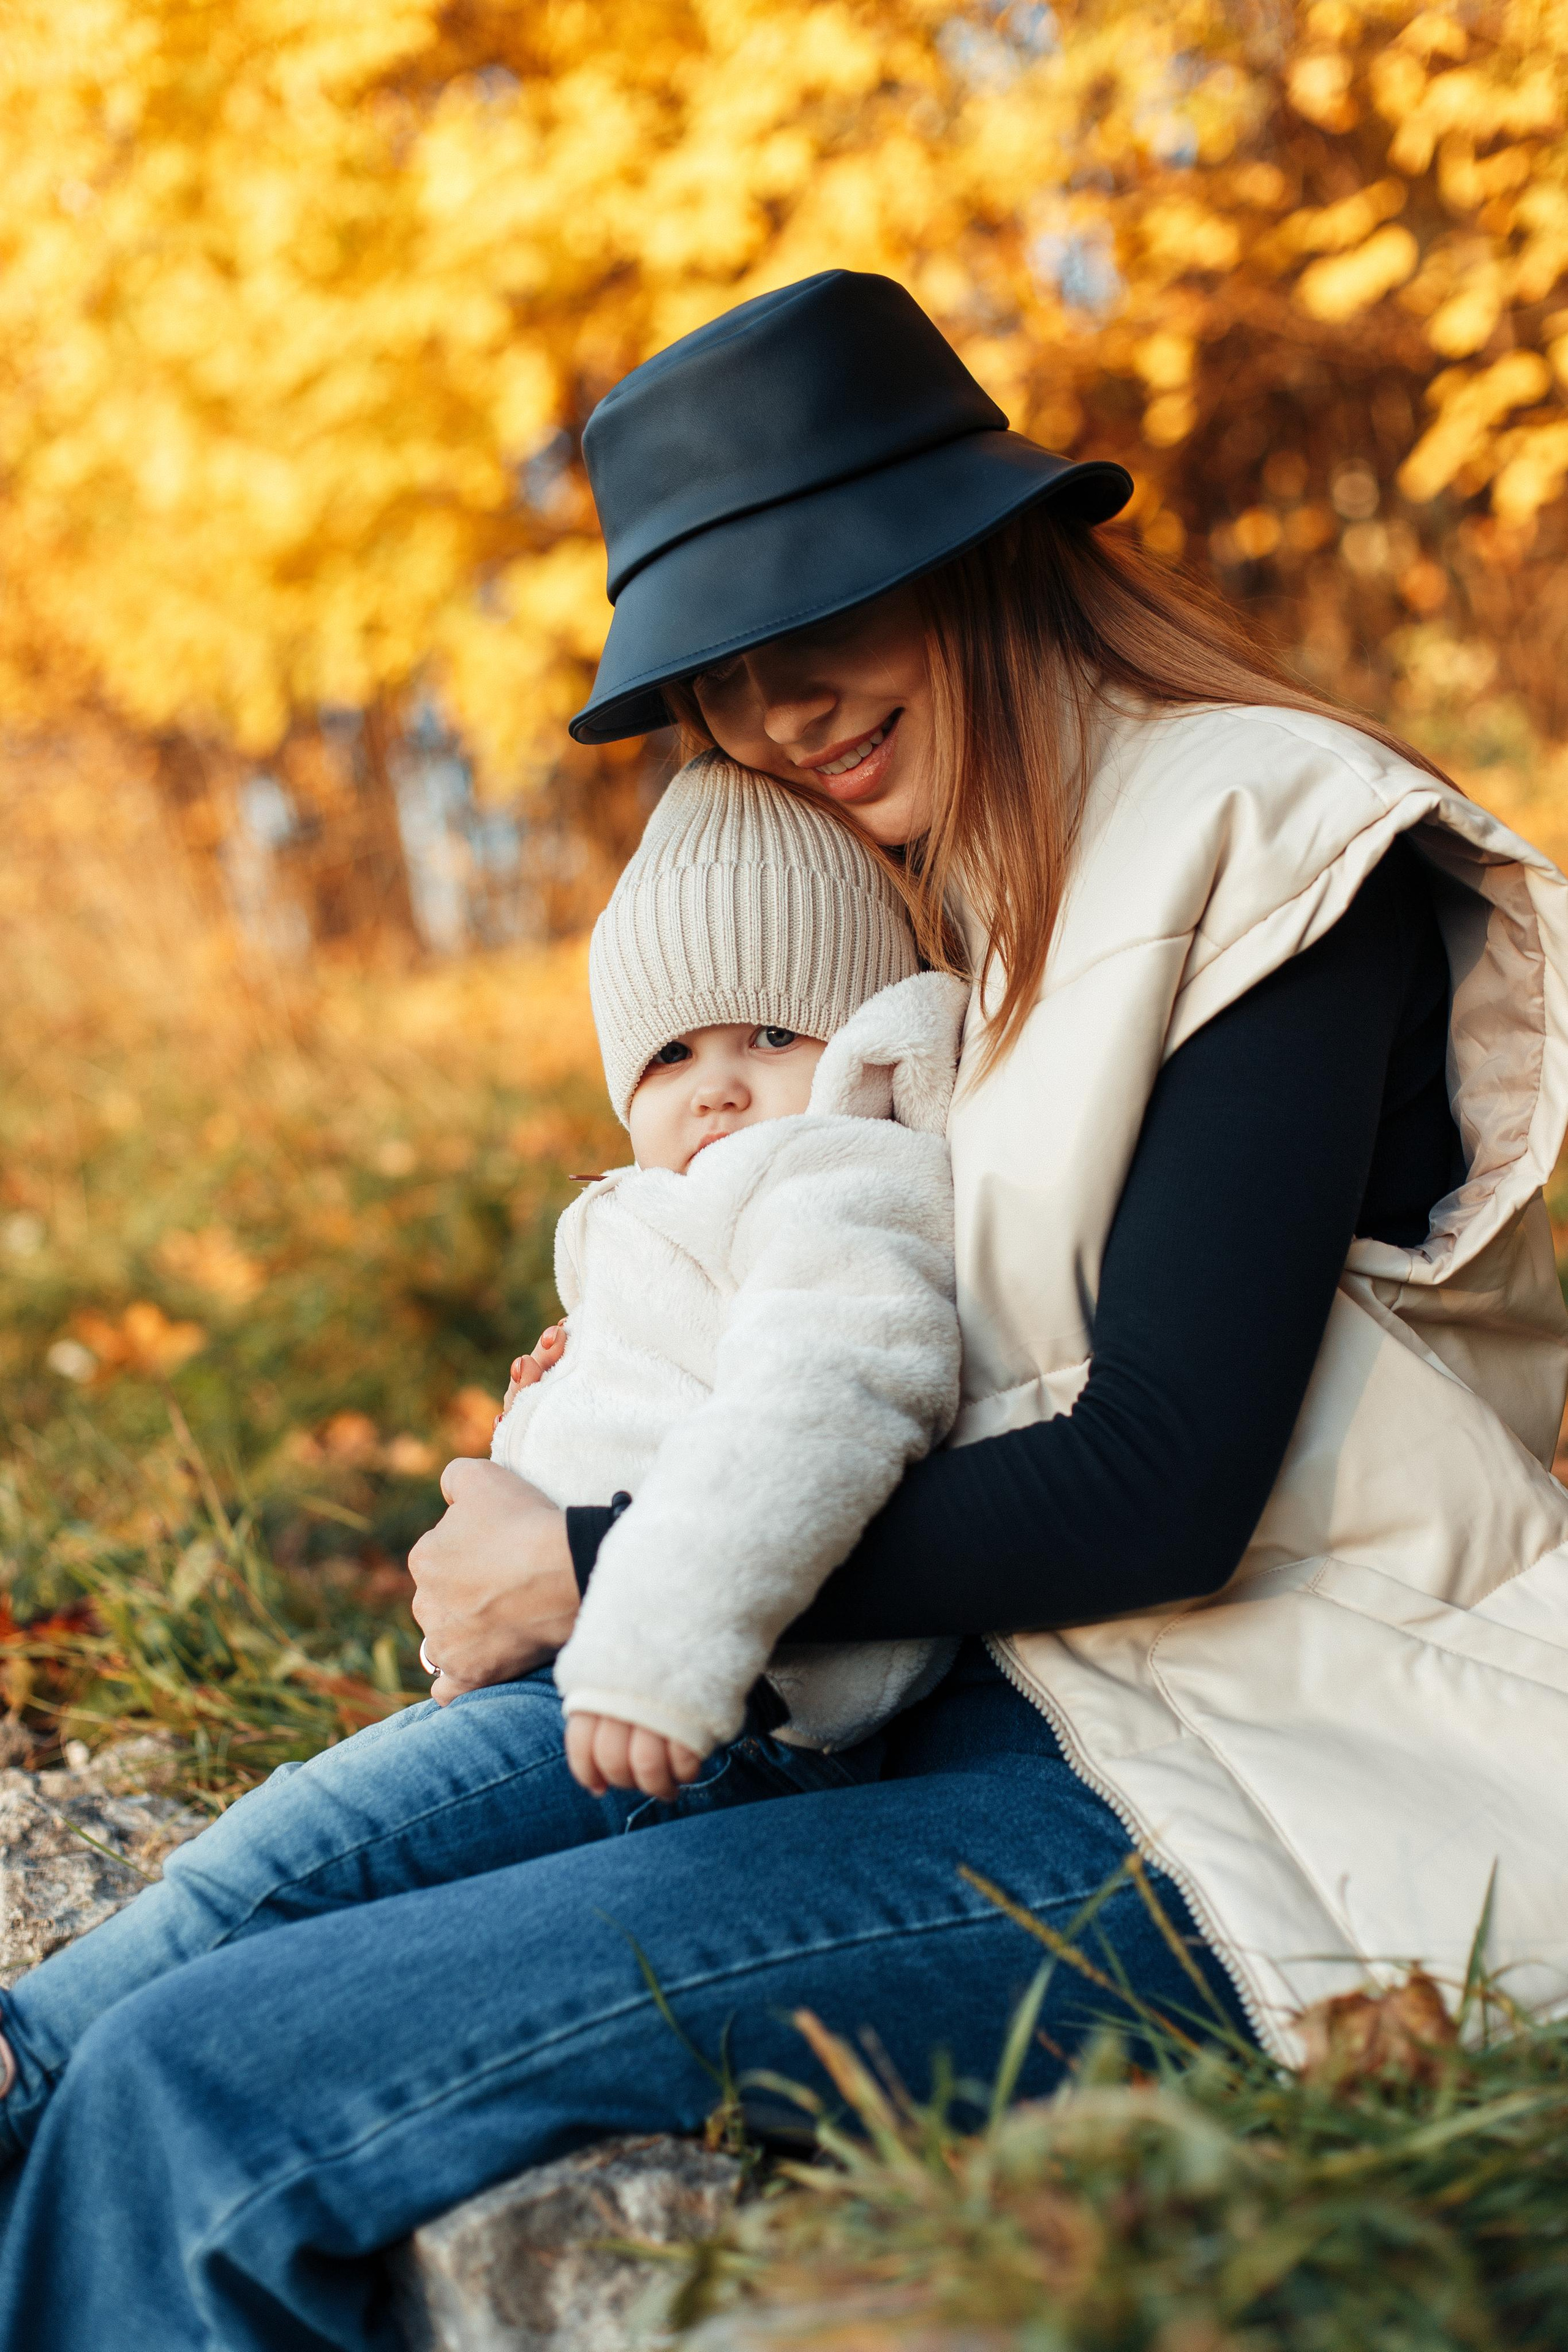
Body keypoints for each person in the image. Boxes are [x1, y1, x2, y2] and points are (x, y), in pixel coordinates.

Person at [4, 268, 1568, 2352]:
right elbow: (885, 1335)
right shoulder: (946, 914)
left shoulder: (1265, 840)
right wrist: (641, 1396)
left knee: (205, 2097)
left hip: (1260, 1796)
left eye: (826, 615)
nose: (780, 712)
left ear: (982, 551)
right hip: (969, 1715)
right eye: (720, 678)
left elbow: (1162, 1483)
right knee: (118, 2037)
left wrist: (595, 1565)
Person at [489, 752, 967, 1792]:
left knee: (280, 1869)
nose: (717, 1090)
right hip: (606, 1658)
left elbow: (817, 1400)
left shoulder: (832, 1179)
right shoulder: (680, 1199)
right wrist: (544, 1416)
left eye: (772, 1035)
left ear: (860, 1044)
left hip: (707, 1693)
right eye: (672, 1055)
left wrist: (656, 1648)